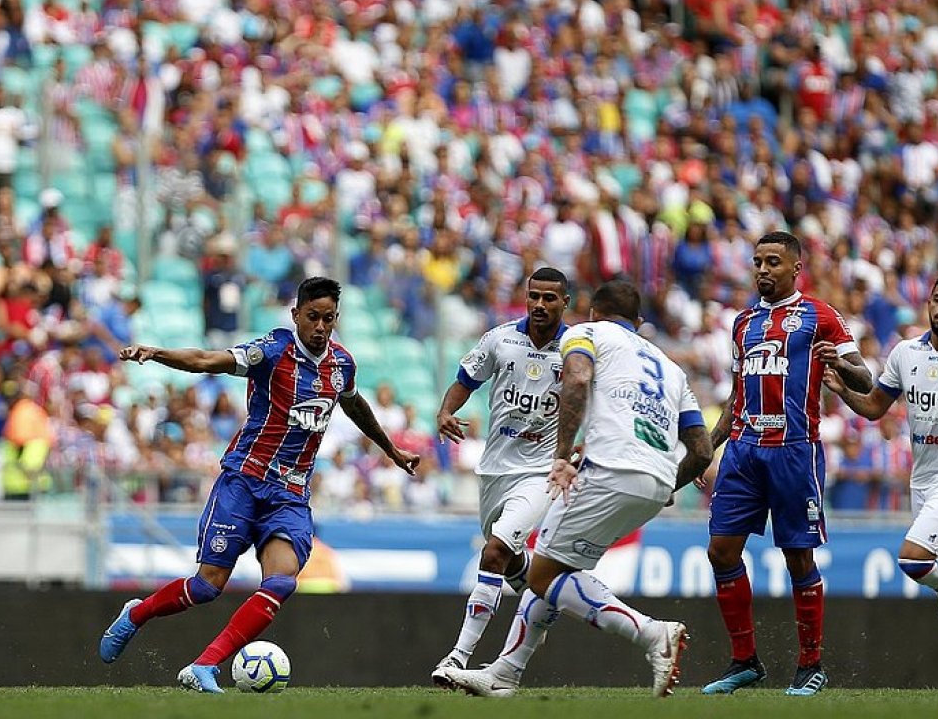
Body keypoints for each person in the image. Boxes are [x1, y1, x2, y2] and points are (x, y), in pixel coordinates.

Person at [99, 276, 419, 692]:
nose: (320, 327)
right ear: (296, 316)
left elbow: (354, 402)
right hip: (244, 483)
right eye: (312, 318)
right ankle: (136, 614)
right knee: (206, 586)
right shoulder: (272, 350)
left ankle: (205, 665)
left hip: (289, 495)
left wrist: (390, 450)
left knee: (282, 580)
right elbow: (204, 360)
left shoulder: (342, 365)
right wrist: (156, 353)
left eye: (328, 319)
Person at [438, 281, 713, 698]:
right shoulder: (669, 366)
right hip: (655, 480)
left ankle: (652, 634)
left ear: (591, 311)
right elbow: (702, 449)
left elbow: (578, 380)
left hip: (610, 469)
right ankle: (506, 672)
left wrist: (562, 456)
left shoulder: (586, 334)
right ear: (638, 323)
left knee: (544, 572)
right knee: (555, 566)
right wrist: (668, 482)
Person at [702, 230, 872, 696]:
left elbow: (865, 377)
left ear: (795, 267)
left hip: (794, 450)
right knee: (721, 550)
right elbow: (737, 393)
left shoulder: (820, 315)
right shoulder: (741, 323)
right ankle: (745, 662)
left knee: (797, 556)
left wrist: (839, 361)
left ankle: (810, 664)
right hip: (742, 448)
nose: (762, 269)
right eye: (758, 261)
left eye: (773, 262)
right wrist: (712, 446)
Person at [824, 273, 938, 693]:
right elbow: (873, 408)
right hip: (923, 481)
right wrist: (841, 387)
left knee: (914, 560)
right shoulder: (904, 353)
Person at [431, 267, 571, 684]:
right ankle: (543, 598)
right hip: (494, 470)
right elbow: (465, 380)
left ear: (565, 301)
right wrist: (444, 411)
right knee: (508, 560)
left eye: (550, 298)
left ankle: (457, 657)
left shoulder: (577, 350)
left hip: (539, 472)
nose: (540, 305)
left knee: (493, 551)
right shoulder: (500, 339)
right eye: (534, 297)